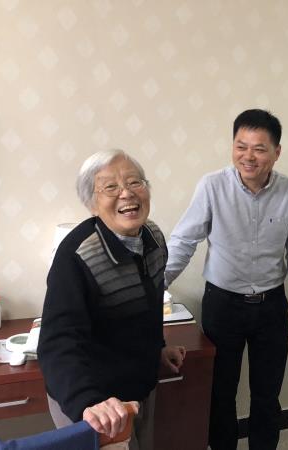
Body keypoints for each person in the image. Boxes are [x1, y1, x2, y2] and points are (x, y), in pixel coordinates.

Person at [165, 109, 288, 450]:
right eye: (241, 146)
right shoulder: (212, 186)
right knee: (221, 392)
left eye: (259, 148)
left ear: (277, 152)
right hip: (223, 304)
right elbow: (184, 241)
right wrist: (155, 286)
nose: (248, 156)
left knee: (267, 394)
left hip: (271, 306)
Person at [38, 149, 186, 450]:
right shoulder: (75, 256)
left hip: (139, 386)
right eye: (110, 187)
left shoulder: (154, 238)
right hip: (95, 401)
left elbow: (149, 305)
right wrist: (88, 402)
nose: (126, 193)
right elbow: (58, 343)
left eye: (134, 182)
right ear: (92, 204)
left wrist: (157, 348)